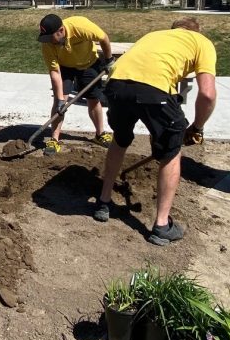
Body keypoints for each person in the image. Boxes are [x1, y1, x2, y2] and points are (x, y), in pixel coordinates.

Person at [93, 16, 217, 245]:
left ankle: (103, 201)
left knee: (120, 140)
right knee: (171, 153)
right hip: (154, 90)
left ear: (174, 29)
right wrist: (197, 127)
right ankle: (161, 225)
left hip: (116, 86)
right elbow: (208, 94)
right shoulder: (202, 42)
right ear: (197, 32)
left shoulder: (154, 36)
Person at [37, 12, 114, 154]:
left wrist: (109, 60)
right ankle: (54, 139)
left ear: (61, 30)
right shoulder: (47, 44)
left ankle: (100, 134)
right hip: (65, 66)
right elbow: (55, 72)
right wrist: (60, 100)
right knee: (60, 103)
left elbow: (103, 38)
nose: (48, 41)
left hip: (89, 64)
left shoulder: (80, 26)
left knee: (93, 100)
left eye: (50, 37)